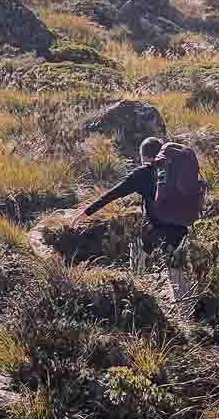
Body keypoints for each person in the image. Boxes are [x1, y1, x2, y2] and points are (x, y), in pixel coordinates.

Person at [80, 136, 204, 319]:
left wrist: (87, 212)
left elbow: (114, 193)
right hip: (183, 223)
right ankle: (187, 312)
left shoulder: (142, 173)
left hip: (161, 228)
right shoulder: (176, 169)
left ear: (143, 155)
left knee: (141, 249)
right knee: (176, 266)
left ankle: (137, 290)